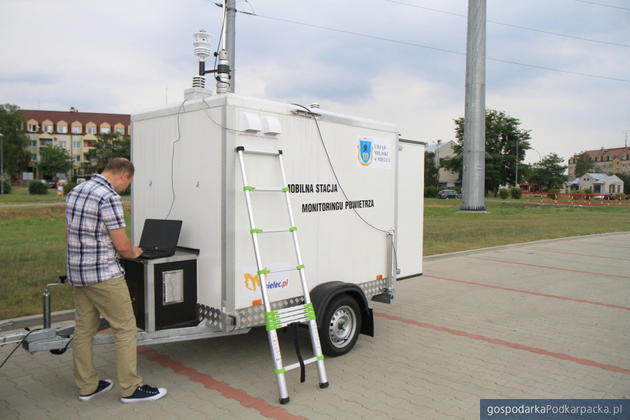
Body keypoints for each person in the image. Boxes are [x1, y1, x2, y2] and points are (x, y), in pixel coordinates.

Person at [65, 158, 167, 403]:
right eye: (129, 182)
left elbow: (70, 231)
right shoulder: (108, 197)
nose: (127, 186)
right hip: (104, 275)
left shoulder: (76, 191)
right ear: (123, 174)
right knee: (125, 328)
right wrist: (135, 252)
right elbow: (122, 246)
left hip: (79, 272)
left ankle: (87, 386)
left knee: (83, 330)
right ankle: (131, 389)